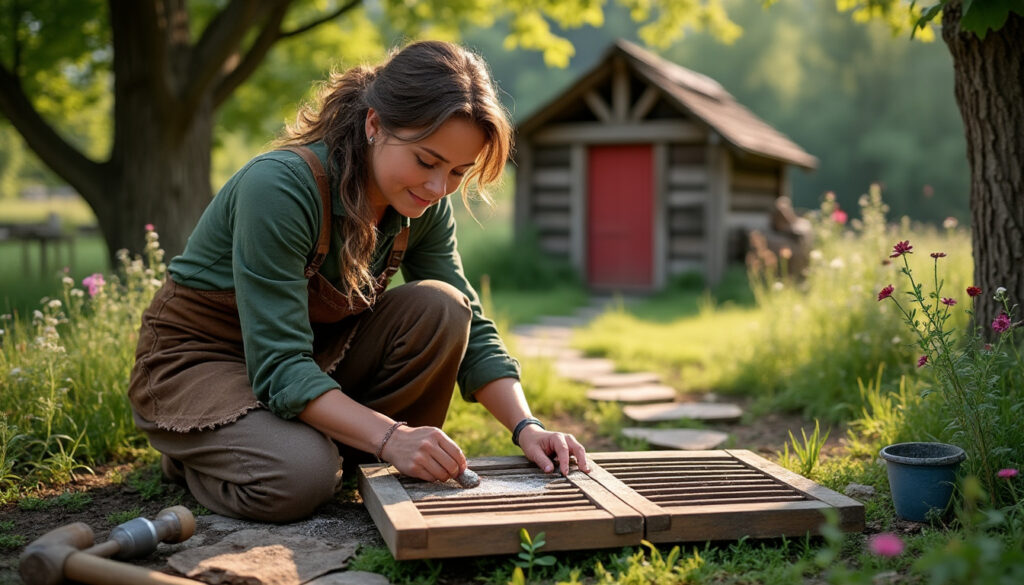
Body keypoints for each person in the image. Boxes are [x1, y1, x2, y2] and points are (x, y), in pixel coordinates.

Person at [127, 40, 589, 523]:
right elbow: (280, 364)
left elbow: (470, 326)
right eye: (426, 161)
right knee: (300, 477)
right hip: (201, 361)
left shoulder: (422, 206)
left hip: (312, 360)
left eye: (457, 171)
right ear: (374, 124)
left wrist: (528, 428)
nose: (437, 188)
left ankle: (325, 450)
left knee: (444, 307)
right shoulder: (280, 187)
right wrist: (392, 436)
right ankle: (198, 452)